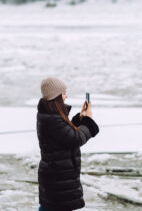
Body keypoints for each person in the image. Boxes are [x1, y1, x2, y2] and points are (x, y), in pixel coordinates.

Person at [36, 77, 99, 211]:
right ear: (56, 96)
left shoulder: (50, 116)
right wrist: (88, 121)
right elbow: (74, 139)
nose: (66, 96)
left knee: (49, 207)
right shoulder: (52, 120)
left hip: (57, 175)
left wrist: (79, 119)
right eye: (64, 93)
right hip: (58, 177)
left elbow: (64, 135)